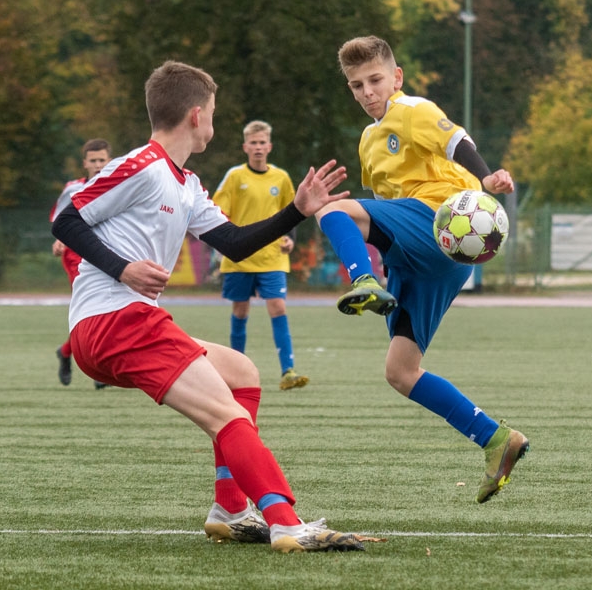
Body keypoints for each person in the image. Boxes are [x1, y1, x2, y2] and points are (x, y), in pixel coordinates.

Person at [51, 60, 364, 553]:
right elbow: (67, 220)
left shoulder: (186, 183)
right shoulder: (142, 166)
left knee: (241, 372)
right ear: (197, 116)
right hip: (115, 321)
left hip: (125, 324)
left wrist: (297, 211)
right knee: (227, 417)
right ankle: (286, 521)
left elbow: (236, 243)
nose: (214, 122)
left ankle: (230, 509)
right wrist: (122, 268)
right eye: (214, 112)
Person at [315, 36, 529, 504]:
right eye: (356, 85)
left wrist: (487, 175)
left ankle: (362, 282)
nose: (367, 91)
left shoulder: (411, 109)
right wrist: (391, 261)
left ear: (397, 77)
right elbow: (383, 205)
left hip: (442, 219)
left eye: (375, 80)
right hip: (429, 255)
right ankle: (496, 439)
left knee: (331, 211)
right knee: (401, 370)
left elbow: (455, 140)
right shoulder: (369, 141)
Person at [212, 121, 308, 390]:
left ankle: (288, 370)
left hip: (272, 256)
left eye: (262, 142)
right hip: (239, 257)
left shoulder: (281, 178)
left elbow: (293, 212)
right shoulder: (234, 177)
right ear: (245, 147)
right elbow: (218, 211)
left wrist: (291, 239)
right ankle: (235, 370)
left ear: (269, 146)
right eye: (253, 143)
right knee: (240, 311)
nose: (257, 147)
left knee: (278, 306)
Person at [49, 138, 112, 390]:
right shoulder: (73, 189)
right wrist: (59, 241)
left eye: (102, 160)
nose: (98, 165)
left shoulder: (118, 185)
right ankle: (98, 368)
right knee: (93, 308)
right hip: (76, 254)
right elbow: (59, 219)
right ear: (85, 163)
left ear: (110, 161)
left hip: (106, 253)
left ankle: (66, 352)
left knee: (107, 308)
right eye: (93, 160)